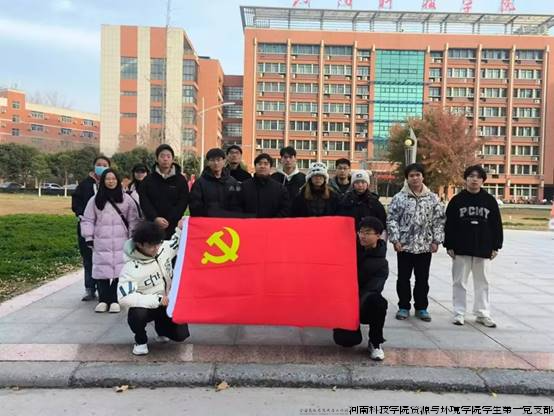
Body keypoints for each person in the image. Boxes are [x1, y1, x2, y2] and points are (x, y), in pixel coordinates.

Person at [118, 220, 190, 356]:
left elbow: (176, 244)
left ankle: (161, 330)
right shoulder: (130, 268)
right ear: (140, 244)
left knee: (181, 335)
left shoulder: (163, 248)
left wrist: (180, 229)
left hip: (166, 303)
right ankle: (140, 341)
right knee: (137, 314)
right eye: (151, 246)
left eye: (158, 243)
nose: (156, 248)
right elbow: (124, 297)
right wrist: (157, 300)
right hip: (147, 307)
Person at [444, 165, 503, 328]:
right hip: (461, 247)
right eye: (471, 176)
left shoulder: (489, 201)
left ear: (483, 180)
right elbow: (449, 225)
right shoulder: (457, 200)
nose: (474, 179)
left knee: (482, 282)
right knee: (459, 281)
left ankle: (482, 313)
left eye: (478, 177)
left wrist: (496, 246)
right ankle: (459, 312)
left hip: (483, 247)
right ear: (466, 179)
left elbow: (496, 224)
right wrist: (448, 244)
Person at [387, 163, 445, 322]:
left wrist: (436, 240)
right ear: (407, 178)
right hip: (404, 246)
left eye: (417, 175)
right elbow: (392, 219)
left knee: (422, 279)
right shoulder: (399, 198)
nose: (415, 178)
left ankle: (421, 307)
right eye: (411, 175)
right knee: (403, 279)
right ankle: (403, 307)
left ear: (423, 177)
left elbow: (438, 220)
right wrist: (395, 239)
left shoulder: (432, 198)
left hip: (424, 246)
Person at [80, 169, 140, 313]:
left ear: (118, 181)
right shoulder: (95, 200)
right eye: (108, 179)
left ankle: (114, 299)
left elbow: (133, 219)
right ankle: (103, 300)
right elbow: (88, 219)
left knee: (121, 271)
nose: (111, 181)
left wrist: (132, 237)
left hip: (122, 241)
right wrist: (89, 237)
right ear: (103, 181)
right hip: (101, 241)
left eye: (113, 179)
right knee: (102, 271)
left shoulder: (126, 199)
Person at [333, 216, 388, 361]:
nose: (362, 236)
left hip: (363, 303)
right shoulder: (348, 251)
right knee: (347, 341)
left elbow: (373, 289)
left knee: (379, 302)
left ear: (378, 235)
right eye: (360, 232)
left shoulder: (382, 263)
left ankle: (375, 342)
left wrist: (354, 305)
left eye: (367, 232)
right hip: (344, 301)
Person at [71, 155, 111, 301]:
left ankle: (104, 289)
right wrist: (83, 216)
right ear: (94, 166)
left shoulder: (111, 184)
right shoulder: (84, 185)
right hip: (87, 227)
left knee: (103, 259)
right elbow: (76, 203)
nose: (101, 167)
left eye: (105, 165)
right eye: (99, 164)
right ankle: (90, 288)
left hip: (106, 229)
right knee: (88, 259)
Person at [138, 144, 189, 240]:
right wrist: (155, 218)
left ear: (173, 159)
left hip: (174, 225)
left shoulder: (180, 180)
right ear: (157, 159)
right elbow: (144, 201)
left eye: (168, 156)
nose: (165, 159)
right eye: (162, 156)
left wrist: (171, 218)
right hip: (153, 225)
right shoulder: (148, 180)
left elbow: (183, 200)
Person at [189, 148, 243, 217]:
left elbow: (238, 204)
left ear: (224, 161)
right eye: (212, 160)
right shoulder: (200, 183)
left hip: (227, 220)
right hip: (207, 220)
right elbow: (194, 206)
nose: (216, 163)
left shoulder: (232, 182)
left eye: (218, 160)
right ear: (208, 162)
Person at [240, 153, 290, 218]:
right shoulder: (244, 186)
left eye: (266, 164)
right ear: (255, 166)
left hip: (273, 223)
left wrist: (272, 222)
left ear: (270, 167)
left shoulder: (280, 188)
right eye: (259, 164)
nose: (262, 166)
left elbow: (285, 209)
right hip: (249, 223)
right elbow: (238, 207)